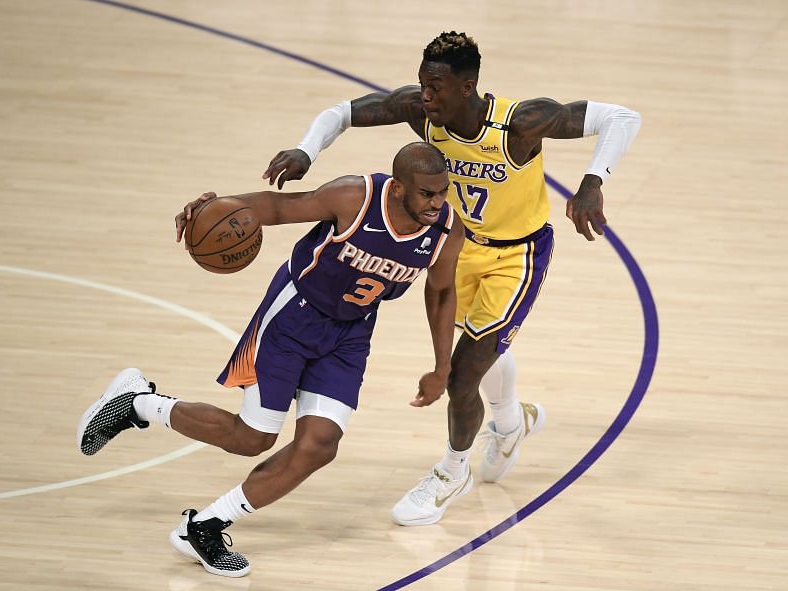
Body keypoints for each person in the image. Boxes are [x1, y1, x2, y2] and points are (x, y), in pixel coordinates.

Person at [262, 31, 641, 526]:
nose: (425, 96)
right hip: (458, 247)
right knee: (479, 345)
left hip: (517, 256)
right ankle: (510, 421)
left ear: (468, 87)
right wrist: (305, 151)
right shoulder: (423, 114)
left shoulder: (520, 124)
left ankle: (451, 470)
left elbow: (621, 117)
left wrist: (592, 183)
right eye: (422, 84)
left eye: (436, 87)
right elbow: (342, 113)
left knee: (463, 373)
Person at [77, 141, 464, 578]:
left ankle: (205, 527)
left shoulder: (447, 230)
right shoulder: (355, 198)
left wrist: (442, 366)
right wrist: (220, 207)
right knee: (253, 437)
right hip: (293, 318)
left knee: (320, 445)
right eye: (427, 194)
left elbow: (442, 291)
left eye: (442, 192)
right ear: (397, 189)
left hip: (350, 335)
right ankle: (138, 403)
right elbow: (280, 208)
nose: (436, 202)